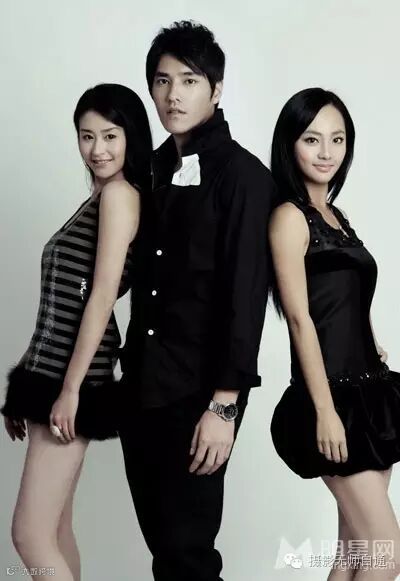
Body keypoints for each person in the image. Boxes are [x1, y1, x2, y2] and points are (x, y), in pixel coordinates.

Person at [118, 20, 277, 581]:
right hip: (142, 385)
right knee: (166, 551)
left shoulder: (244, 178)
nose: (173, 95)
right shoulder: (152, 168)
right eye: (162, 81)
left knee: (188, 553)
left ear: (217, 88)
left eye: (189, 80)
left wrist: (224, 407)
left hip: (201, 394)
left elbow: (246, 298)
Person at [1, 83, 152, 581]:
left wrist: (70, 390)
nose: (97, 149)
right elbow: (60, 304)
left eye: (110, 135)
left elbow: (102, 296)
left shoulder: (120, 196)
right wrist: (25, 380)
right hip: (50, 373)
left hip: (72, 377)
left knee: (29, 535)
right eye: (87, 136)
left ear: (131, 137)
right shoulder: (101, 197)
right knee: (55, 529)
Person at [269, 87, 400, 580]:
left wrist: (371, 337)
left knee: (356, 556)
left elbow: (347, 296)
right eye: (312, 139)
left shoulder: (337, 217)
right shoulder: (288, 217)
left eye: (337, 139)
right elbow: (299, 319)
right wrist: (324, 411)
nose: (326, 152)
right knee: (387, 555)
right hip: (332, 400)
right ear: (290, 144)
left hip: (370, 393)